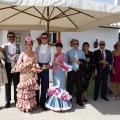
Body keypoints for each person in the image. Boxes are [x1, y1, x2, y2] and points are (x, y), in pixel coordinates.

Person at [12, 36, 42, 112]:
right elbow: (18, 65)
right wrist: (27, 64)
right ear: (25, 45)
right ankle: (23, 106)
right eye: (28, 44)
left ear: (32, 45)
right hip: (23, 74)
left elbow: (36, 64)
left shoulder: (35, 54)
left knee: (30, 90)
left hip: (31, 74)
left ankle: (30, 105)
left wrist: (35, 71)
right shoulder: (22, 54)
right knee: (24, 90)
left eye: (30, 44)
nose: (29, 45)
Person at [45, 40, 72, 111]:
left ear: (61, 48)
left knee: (61, 87)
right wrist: (53, 63)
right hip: (55, 73)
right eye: (57, 47)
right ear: (56, 48)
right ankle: (54, 104)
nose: (58, 48)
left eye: (59, 47)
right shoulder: (54, 55)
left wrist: (60, 62)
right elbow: (51, 64)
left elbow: (66, 64)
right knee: (55, 87)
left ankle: (62, 105)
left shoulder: (64, 55)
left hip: (61, 73)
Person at [1, 32, 23, 108]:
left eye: (12, 37)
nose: (11, 38)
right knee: (8, 84)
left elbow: (22, 56)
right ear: (7, 38)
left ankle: (17, 100)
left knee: (16, 84)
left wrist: (17, 59)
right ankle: (8, 101)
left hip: (16, 67)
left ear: (15, 37)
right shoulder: (4, 46)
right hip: (7, 66)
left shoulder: (19, 46)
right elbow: (1, 55)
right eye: (9, 37)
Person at [35, 32, 54, 111]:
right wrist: (36, 65)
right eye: (42, 38)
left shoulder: (51, 48)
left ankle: (43, 102)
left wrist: (49, 64)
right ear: (40, 38)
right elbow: (35, 57)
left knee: (45, 85)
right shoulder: (36, 47)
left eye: (45, 38)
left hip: (46, 67)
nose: (44, 39)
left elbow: (52, 59)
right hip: (37, 67)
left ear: (48, 39)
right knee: (36, 85)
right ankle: (36, 102)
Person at [66, 39, 86, 107]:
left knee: (79, 87)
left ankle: (79, 100)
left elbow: (85, 61)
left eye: (76, 43)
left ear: (78, 44)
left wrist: (81, 62)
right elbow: (65, 63)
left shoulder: (81, 52)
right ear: (72, 44)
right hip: (71, 72)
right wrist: (69, 60)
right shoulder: (68, 52)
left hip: (79, 72)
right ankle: (69, 101)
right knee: (70, 87)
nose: (75, 45)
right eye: (74, 43)